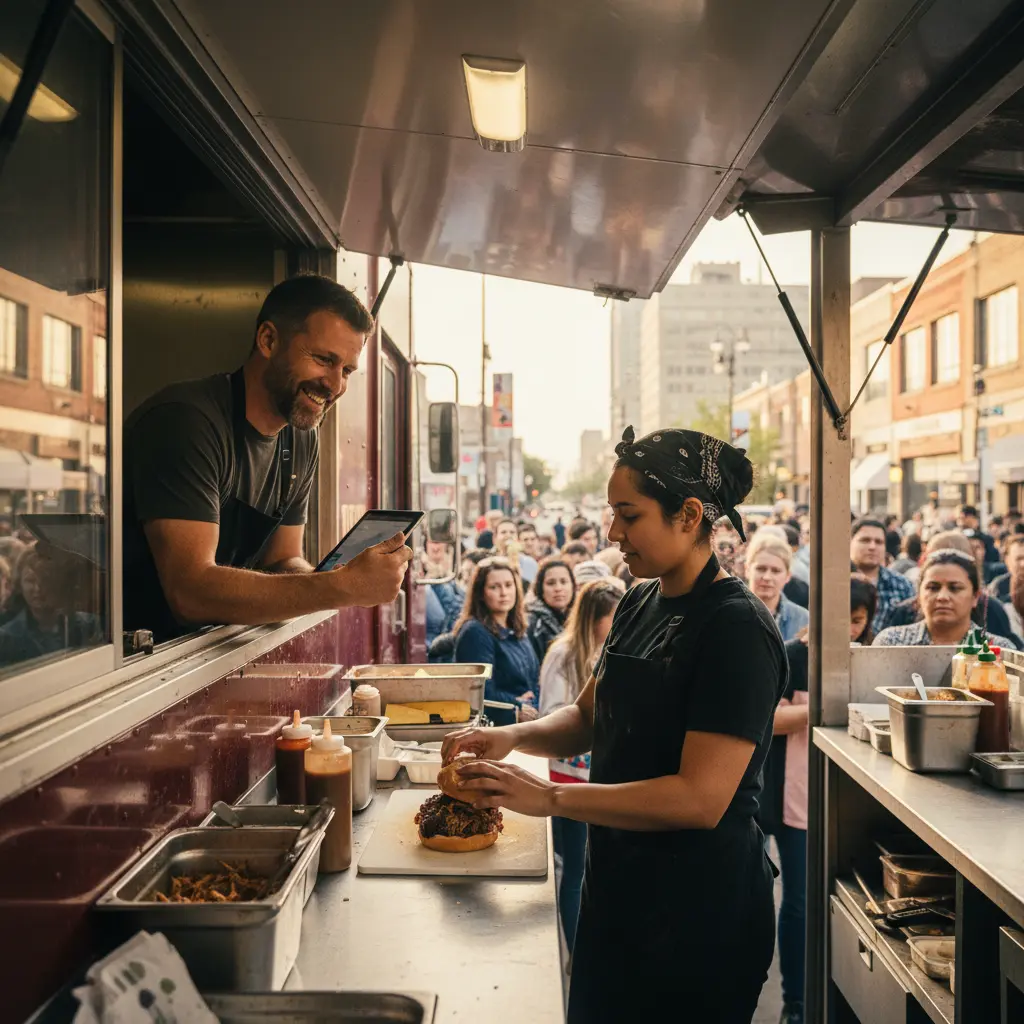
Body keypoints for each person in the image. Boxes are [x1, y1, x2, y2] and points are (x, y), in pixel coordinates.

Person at [445, 426, 784, 1022]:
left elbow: (699, 798)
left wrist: (552, 796)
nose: (612, 532)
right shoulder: (637, 600)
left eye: (629, 514)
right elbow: (585, 716)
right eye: (611, 513)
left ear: (688, 515)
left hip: (698, 916)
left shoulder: (735, 629)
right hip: (618, 892)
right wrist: (514, 738)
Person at [122, 275, 411, 642]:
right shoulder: (186, 422)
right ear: (268, 340)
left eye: (347, 370)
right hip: (136, 663)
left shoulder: (301, 438)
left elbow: (282, 559)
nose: (335, 384)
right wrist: (339, 587)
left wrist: (330, 577)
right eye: (324, 359)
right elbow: (190, 592)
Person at [760, 575, 876, 1024]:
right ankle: (797, 999)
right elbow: (768, 720)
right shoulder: (793, 655)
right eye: (838, 618)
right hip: (797, 798)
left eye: (857, 620)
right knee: (800, 900)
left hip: (852, 800)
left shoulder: (870, 660)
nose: (846, 628)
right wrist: (821, 709)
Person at [538, 579, 622, 954]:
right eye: (614, 616)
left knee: (596, 868)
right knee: (575, 868)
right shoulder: (564, 653)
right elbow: (552, 713)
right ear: (594, 618)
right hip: (569, 777)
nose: (622, 622)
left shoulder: (614, 648)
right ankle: (576, 952)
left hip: (603, 777)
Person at [879, 531, 1018, 642]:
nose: (943, 597)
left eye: (955, 588)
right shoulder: (892, 642)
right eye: (933, 588)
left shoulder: (999, 650)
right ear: (919, 594)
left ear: (976, 596)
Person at [452, 558, 540, 725]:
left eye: (508, 585)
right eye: (494, 587)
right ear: (481, 593)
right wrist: (516, 704)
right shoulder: (474, 632)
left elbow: (533, 678)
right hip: (499, 726)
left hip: (528, 719)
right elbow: (480, 692)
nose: (503, 592)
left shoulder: (519, 628)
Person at [0, 546, 103, 664]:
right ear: (20, 584)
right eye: (30, 580)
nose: (37, 588)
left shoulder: (88, 626)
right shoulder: (7, 638)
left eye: (45, 579)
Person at [850, 518, 914, 633]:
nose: (872, 547)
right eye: (865, 540)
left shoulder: (902, 585)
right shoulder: (835, 583)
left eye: (879, 542)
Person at [746, 535, 809, 642]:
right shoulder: (727, 614)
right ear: (747, 570)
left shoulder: (803, 619)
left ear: (788, 576)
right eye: (761, 569)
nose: (767, 577)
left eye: (775, 571)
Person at [527, 559, 577, 662]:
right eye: (550, 583)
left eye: (564, 582)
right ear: (540, 588)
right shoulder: (532, 623)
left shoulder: (580, 617)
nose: (558, 588)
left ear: (572, 586)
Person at [493, 518, 539, 585]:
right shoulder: (490, 562)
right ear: (495, 538)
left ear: (517, 537)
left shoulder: (530, 563)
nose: (508, 535)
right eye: (503, 532)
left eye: (512, 532)